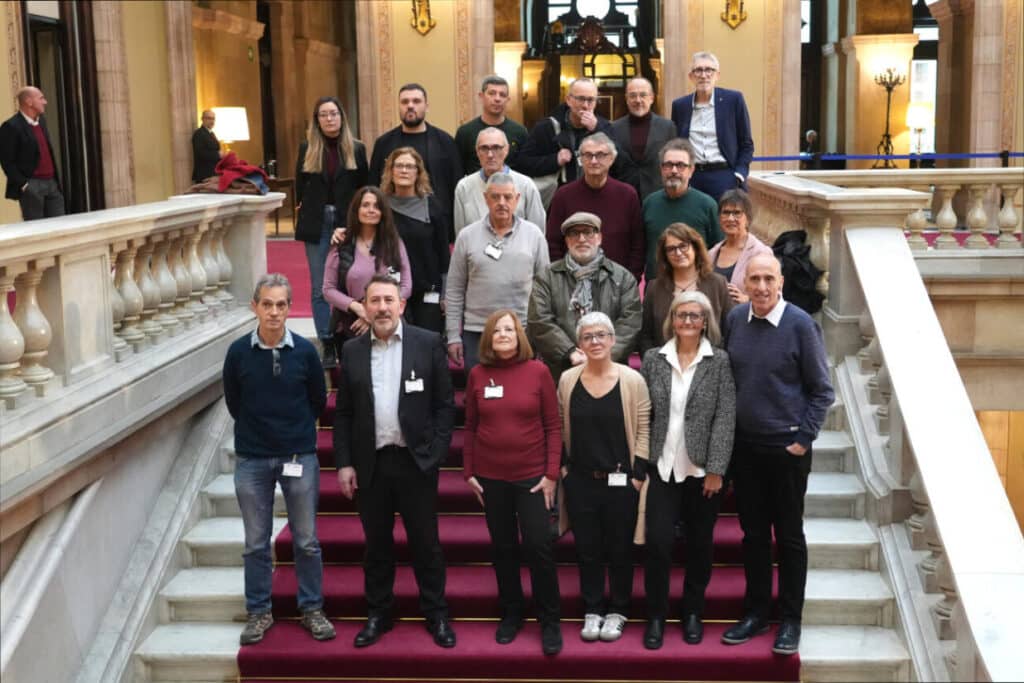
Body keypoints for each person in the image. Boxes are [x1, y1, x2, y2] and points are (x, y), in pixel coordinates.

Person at [334, 274, 457, 649]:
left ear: (402, 304)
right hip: (372, 464)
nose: (383, 307)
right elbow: (343, 414)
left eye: (389, 300)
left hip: (415, 463)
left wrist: (433, 454)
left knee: (426, 544)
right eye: (375, 301)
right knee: (377, 546)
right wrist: (344, 463)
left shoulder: (427, 342)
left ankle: (436, 613)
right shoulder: (353, 350)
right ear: (365, 306)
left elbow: (444, 405)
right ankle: (378, 613)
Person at [721, 254, 835, 656]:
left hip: (787, 451)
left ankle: (790, 619)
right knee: (753, 537)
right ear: (746, 283)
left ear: (782, 281)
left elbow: (823, 391)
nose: (762, 286)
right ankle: (756, 613)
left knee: (788, 537)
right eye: (755, 279)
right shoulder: (735, 320)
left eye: (769, 278)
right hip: (747, 450)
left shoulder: (801, 325)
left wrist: (802, 440)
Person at [222, 273, 335, 646]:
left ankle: (312, 609)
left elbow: (318, 400)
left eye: (281, 304)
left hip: (298, 456)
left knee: (306, 540)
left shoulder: (304, 351)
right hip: (252, 460)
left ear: (289, 307)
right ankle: (259, 612)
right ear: (255, 306)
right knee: (256, 542)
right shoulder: (238, 352)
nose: (273, 312)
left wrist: (294, 434)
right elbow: (235, 402)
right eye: (266, 304)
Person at [462, 310, 563, 655]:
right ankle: (512, 613)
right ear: (488, 338)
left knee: (539, 547)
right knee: (503, 549)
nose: (503, 334)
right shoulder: (477, 374)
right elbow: (471, 427)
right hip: (491, 479)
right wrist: (468, 472)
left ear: (519, 335)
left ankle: (549, 620)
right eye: (496, 330)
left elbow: (553, 425)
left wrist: (551, 474)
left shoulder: (538, 372)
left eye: (509, 329)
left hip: (533, 478)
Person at [640, 290, 735, 649]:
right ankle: (656, 615)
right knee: (659, 545)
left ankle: (692, 612)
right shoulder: (653, 359)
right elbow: (643, 412)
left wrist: (716, 468)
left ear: (705, 321)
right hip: (661, 467)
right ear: (672, 320)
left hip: (701, 472)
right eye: (682, 315)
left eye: (696, 315)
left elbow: (726, 417)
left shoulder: (719, 361)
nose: (688, 321)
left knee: (699, 545)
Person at [558, 312, 650, 644]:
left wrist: (637, 477)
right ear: (579, 343)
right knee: (587, 548)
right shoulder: (568, 380)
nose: (595, 342)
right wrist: (565, 471)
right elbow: (559, 427)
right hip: (581, 481)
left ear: (612, 340)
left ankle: (619, 610)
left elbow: (643, 429)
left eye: (601, 335)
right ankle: (593, 608)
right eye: (587, 337)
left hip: (621, 482)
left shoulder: (632, 380)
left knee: (620, 549)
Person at [445, 172, 549, 374]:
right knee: (480, 394)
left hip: (522, 330)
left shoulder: (534, 235)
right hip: (477, 331)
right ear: (486, 199)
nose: (502, 202)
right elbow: (455, 289)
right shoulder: (467, 236)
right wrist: (453, 336)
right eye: (495, 197)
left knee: (519, 394)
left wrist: (542, 334)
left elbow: (545, 288)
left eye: (508, 197)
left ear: (517, 199)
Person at [294, 96, 368, 366]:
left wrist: (354, 223)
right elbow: (300, 187)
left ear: (342, 117)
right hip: (317, 222)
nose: (329, 119)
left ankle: (346, 337)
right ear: (317, 120)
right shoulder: (307, 149)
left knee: (349, 278)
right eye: (323, 115)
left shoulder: (357, 149)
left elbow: (364, 188)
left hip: (347, 220)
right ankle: (326, 341)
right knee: (319, 286)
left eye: (333, 114)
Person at [528, 211, 641, 380]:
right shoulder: (547, 277)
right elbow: (539, 320)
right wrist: (570, 352)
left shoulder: (622, 277)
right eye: (574, 233)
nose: (581, 239)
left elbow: (630, 323)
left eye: (588, 232)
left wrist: (602, 354)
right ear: (566, 241)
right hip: (562, 370)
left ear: (599, 238)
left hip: (611, 369)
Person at [323, 186, 412, 356]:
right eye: (365, 205)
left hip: (390, 323)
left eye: (376, 206)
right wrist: (359, 309)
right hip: (353, 326)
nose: (371, 210)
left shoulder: (394, 243)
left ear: (383, 212)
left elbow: (407, 285)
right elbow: (328, 289)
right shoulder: (342, 243)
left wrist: (377, 312)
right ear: (356, 209)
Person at [545, 133, 644, 281]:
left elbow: (638, 244)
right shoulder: (563, 195)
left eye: (600, 155)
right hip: (573, 281)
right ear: (580, 159)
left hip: (617, 282)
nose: (593, 160)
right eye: (588, 155)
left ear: (612, 159)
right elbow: (553, 242)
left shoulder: (628, 195)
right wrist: (563, 280)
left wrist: (630, 280)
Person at [368, 83, 462, 230]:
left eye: (416, 101)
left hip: (436, 224)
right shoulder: (383, 143)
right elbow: (373, 186)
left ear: (427, 106)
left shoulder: (445, 142)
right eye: (405, 102)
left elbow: (456, 186)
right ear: (398, 106)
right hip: (392, 224)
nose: (410, 106)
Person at [379, 147, 450, 332]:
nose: (404, 170)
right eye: (399, 166)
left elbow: (443, 254)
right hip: (391, 290)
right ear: (390, 170)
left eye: (410, 166)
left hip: (428, 290)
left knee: (429, 343)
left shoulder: (433, 205)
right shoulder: (380, 206)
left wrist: (445, 294)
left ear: (418, 172)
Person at [670, 51, 754, 202]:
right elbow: (677, 144)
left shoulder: (733, 100)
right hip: (692, 177)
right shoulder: (680, 106)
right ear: (691, 76)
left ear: (717, 75)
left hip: (725, 177)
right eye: (698, 70)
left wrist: (739, 174)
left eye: (709, 70)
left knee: (723, 224)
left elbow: (746, 143)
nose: (704, 75)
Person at [639, 224, 732, 355]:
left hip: (710, 366)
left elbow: (730, 330)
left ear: (695, 247)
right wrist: (655, 364)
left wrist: (716, 362)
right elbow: (645, 335)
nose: (678, 253)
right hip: (663, 366)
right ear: (665, 255)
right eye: (671, 249)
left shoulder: (717, 283)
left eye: (683, 246)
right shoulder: (654, 288)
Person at [641, 138, 722, 283]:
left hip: (697, 288)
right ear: (661, 169)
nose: (673, 170)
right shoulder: (649, 203)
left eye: (680, 165)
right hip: (657, 288)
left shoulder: (707, 205)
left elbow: (719, 250)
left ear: (691, 170)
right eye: (668, 165)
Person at [513, 78, 613, 192]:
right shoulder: (547, 127)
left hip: (595, 194)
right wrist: (554, 160)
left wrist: (597, 129)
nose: (585, 105)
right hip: (560, 197)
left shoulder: (605, 127)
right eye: (580, 99)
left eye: (591, 100)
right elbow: (522, 164)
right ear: (568, 100)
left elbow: (619, 164)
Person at [453, 127, 545, 235]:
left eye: (496, 148)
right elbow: (461, 236)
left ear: (506, 150)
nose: (490, 155)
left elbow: (538, 234)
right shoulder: (464, 187)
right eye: (484, 148)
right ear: (477, 152)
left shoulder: (526, 185)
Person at [0, 86, 65, 220]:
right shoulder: (11, 126)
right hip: (32, 185)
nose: (45, 102)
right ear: (29, 102)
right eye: (41, 98)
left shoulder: (42, 121)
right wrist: (24, 185)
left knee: (59, 227)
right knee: (37, 230)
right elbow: (7, 162)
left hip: (52, 184)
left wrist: (55, 182)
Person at [609, 77, 676, 201]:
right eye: (633, 96)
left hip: (658, 195)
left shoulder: (667, 127)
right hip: (623, 195)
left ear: (651, 98)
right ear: (627, 99)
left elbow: (673, 162)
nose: (638, 100)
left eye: (643, 95)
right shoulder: (614, 128)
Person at [707, 189, 773, 305]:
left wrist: (747, 300)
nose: (730, 218)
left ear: (748, 219)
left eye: (737, 213)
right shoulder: (712, 254)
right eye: (726, 212)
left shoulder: (761, 252)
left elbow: (775, 295)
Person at [454, 75, 529, 174]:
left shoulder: (519, 132)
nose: (497, 99)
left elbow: (526, 168)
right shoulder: (465, 132)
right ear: (481, 96)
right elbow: (458, 170)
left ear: (507, 100)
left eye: (502, 95)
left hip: (512, 187)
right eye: (492, 93)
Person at [191, 109, 221, 183]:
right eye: (209, 118)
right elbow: (200, 153)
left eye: (213, 119)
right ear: (203, 119)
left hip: (213, 173)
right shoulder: (199, 134)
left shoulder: (212, 134)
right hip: (204, 174)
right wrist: (218, 154)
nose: (212, 121)